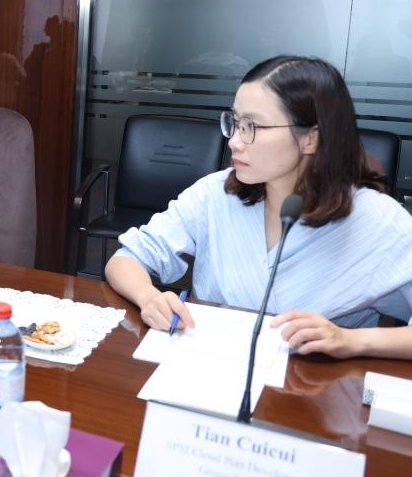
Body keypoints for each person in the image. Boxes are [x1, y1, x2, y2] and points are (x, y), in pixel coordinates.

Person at [106, 55, 412, 359]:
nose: (234, 141)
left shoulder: (378, 221)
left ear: (311, 139)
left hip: (313, 384)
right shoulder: (215, 193)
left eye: (252, 126)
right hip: (211, 367)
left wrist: (353, 340)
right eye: (236, 123)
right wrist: (148, 297)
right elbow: (125, 260)